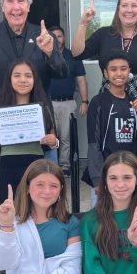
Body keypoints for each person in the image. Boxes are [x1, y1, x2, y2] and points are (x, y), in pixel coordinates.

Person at [72, 0, 137, 155]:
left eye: (134, 5)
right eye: (124, 5)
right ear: (118, 9)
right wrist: (83, 23)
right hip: (110, 95)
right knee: (110, 146)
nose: (129, 10)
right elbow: (77, 53)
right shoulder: (104, 34)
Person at [0, 59, 59, 203]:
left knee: (37, 208)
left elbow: (54, 140)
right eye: (17, 75)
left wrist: (54, 141)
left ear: (34, 79)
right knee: (10, 209)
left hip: (35, 164)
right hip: (8, 164)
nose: (23, 80)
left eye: (28, 76)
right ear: (9, 79)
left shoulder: (43, 107)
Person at [84, 51, 137, 206]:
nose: (119, 73)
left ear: (129, 72)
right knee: (103, 222)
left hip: (132, 175)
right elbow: (93, 142)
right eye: (113, 69)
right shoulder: (98, 102)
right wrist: (97, 179)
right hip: (106, 175)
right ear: (106, 73)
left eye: (123, 69)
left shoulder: (135, 103)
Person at [48, 25, 88, 175]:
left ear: (64, 38)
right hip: (48, 104)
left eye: (59, 36)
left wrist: (85, 101)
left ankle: (64, 167)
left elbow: (81, 81)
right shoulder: (43, 55)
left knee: (65, 137)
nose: (57, 39)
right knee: (50, 137)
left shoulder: (73, 57)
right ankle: (51, 168)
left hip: (67, 103)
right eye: (54, 36)